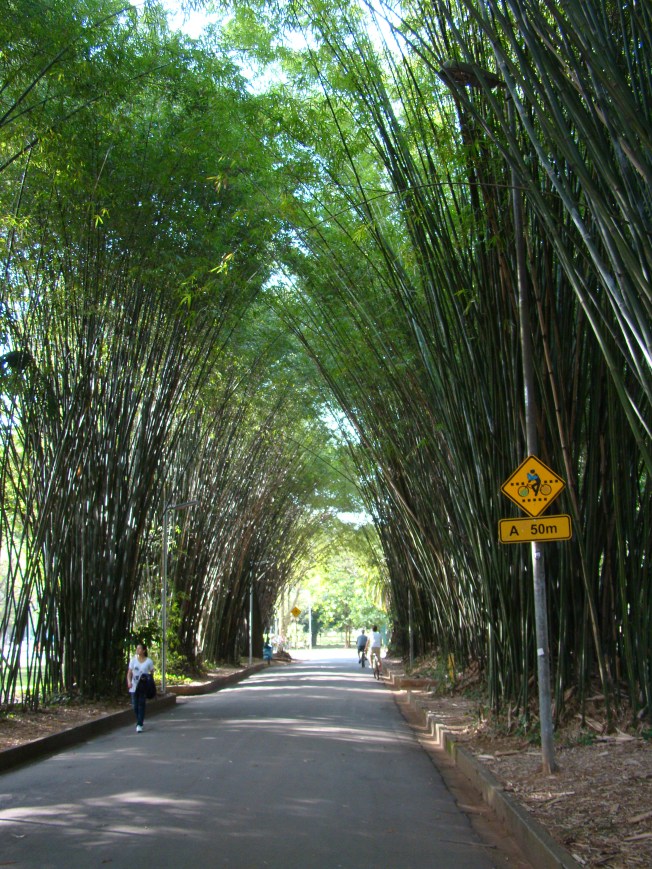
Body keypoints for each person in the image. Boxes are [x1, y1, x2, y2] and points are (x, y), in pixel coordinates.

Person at [127, 643, 155, 733]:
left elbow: (151, 673)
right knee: (135, 706)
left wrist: (149, 682)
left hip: (143, 686)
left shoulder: (149, 661)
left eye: (139, 648)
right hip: (134, 686)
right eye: (137, 648)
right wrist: (129, 682)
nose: (137, 650)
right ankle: (139, 719)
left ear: (144, 650)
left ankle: (139, 724)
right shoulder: (133, 660)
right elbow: (129, 673)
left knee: (141, 704)